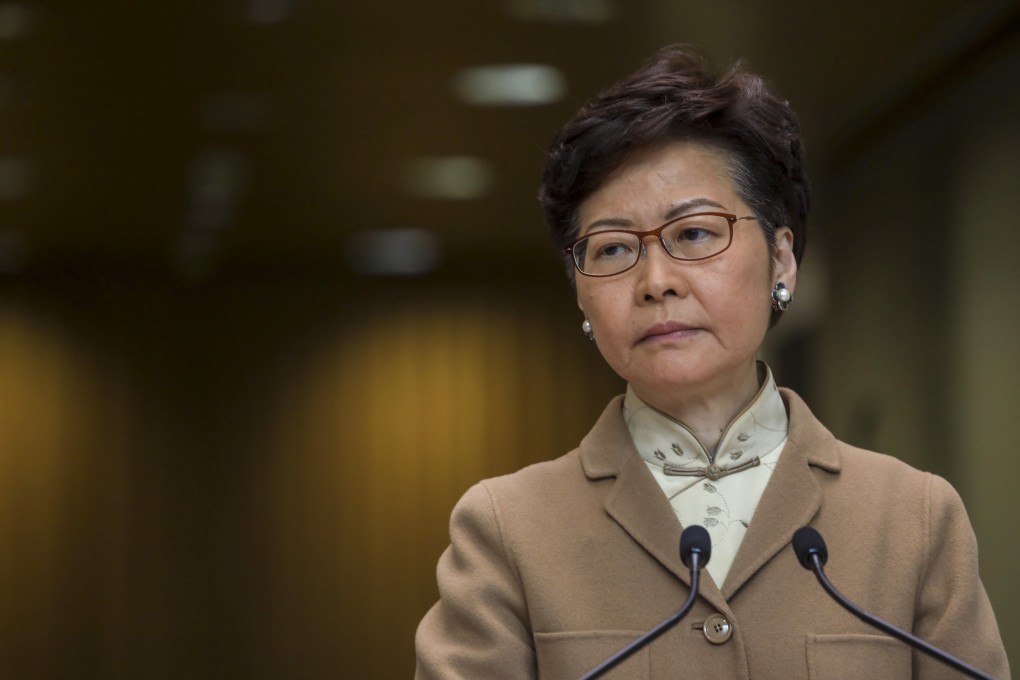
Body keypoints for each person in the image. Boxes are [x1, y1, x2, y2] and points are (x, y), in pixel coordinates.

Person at [414, 45, 1009, 679]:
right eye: (613, 248)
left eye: (695, 233)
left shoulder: (911, 517)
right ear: (581, 291)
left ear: (781, 260)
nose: (656, 281)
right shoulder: (510, 529)